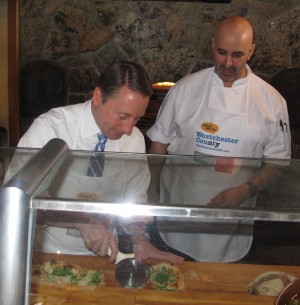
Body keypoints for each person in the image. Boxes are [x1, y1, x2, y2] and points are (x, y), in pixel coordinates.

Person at [8, 60, 183, 265]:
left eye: (136, 119)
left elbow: (135, 198)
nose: (129, 128)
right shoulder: (50, 128)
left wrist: (139, 238)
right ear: (98, 96)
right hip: (46, 253)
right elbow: (17, 200)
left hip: (105, 255)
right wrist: (81, 221)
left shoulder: (133, 139)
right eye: (123, 116)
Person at [146, 16, 291, 262]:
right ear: (212, 45)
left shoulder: (271, 101)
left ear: (251, 51)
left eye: (237, 55)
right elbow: (159, 143)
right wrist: (151, 193)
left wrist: (246, 190)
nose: (227, 62)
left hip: (233, 219)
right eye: (221, 52)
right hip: (179, 211)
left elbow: (278, 162)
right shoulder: (185, 88)